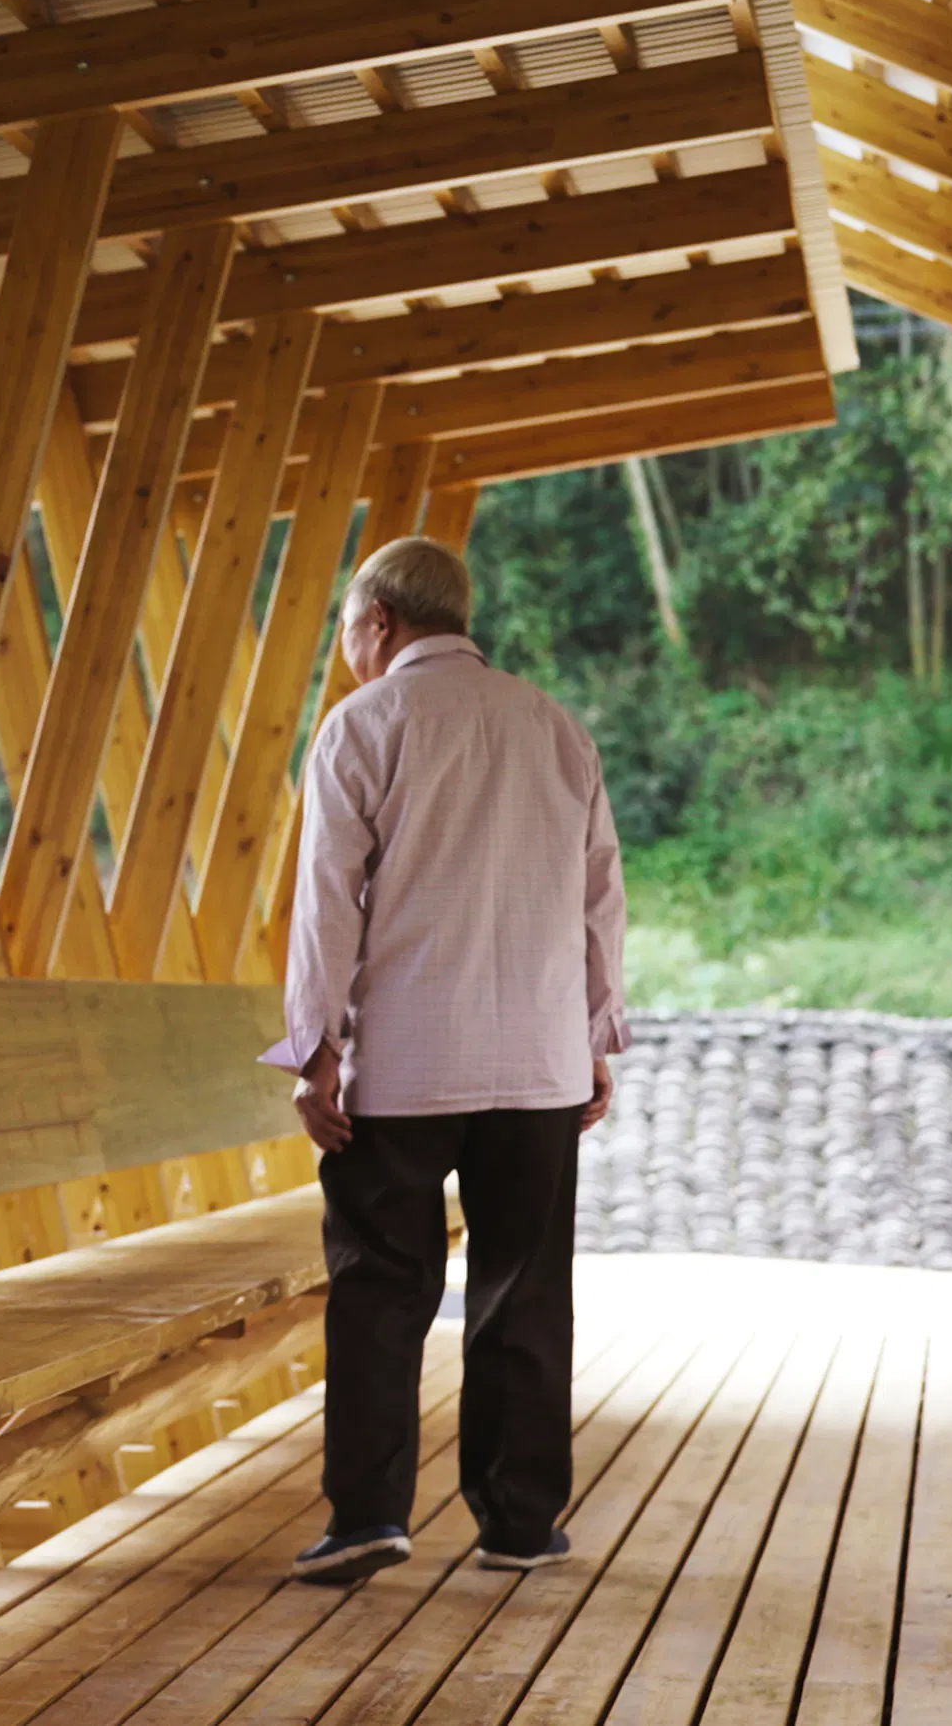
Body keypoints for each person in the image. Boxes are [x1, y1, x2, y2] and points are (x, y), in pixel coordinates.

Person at [262, 535, 626, 1587]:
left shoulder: (362, 725)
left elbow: (328, 902)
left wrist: (314, 1050)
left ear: (378, 619)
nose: (346, 646)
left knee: (380, 1286)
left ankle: (371, 1513)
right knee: (526, 1287)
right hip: (537, 1067)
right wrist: (596, 1037)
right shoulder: (554, 726)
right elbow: (599, 895)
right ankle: (519, 1520)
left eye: (346, 626)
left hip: (409, 1067)